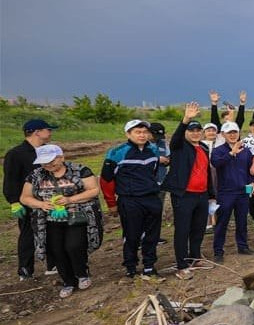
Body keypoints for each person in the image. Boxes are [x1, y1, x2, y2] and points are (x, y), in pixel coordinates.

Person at [19, 145, 102, 298]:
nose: (48, 165)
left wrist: (70, 199)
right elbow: (25, 197)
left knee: (74, 246)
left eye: (52, 161)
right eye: (44, 162)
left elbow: (94, 190)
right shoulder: (36, 175)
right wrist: (41, 204)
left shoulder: (79, 170)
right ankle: (68, 281)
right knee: (57, 250)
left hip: (76, 216)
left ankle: (81, 273)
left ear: (61, 157)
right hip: (50, 220)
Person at [101, 119, 165, 280]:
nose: (142, 135)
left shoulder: (153, 150)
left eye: (145, 132)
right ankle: (130, 267)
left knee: (152, 234)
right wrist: (111, 203)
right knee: (131, 235)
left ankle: (149, 265)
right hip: (130, 200)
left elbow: (153, 172)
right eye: (137, 132)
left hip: (151, 198)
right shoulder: (117, 152)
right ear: (128, 134)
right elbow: (106, 180)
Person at [161, 104, 215, 279]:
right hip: (184, 195)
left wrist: (211, 195)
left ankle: (195, 257)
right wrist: (186, 120)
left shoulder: (204, 148)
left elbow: (206, 172)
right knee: (182, 230)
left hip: (202, 194)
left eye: (198, 130)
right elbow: (175, 138)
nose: (195, 133)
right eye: (191, 130)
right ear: (186, 132)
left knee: (198, 228)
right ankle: (181, 264)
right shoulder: (179, 146)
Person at [5, 118, 57, 280]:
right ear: (37, 132)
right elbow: (11, 180)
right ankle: (25, 269)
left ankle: (53, 264)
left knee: (53, 231)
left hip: (49, 199)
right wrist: (14, 201)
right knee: (28, 234)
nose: (50, 133)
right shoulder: (16, 154)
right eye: (48, 130)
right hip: (28, 201)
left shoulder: (48, 150)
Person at [210, 122, 254, 260]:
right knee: (222, 222)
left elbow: (250, 169)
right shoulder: (218, 151)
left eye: (235, 132)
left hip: (242, 191)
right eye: (229, 133)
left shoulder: (245, 151)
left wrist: (251, 181)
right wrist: (231, 153)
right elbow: (216, 163)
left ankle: (243, 246)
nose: (233, 135)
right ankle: (218, 251)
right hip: (226, 192)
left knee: (242, 220)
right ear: (223, 135)